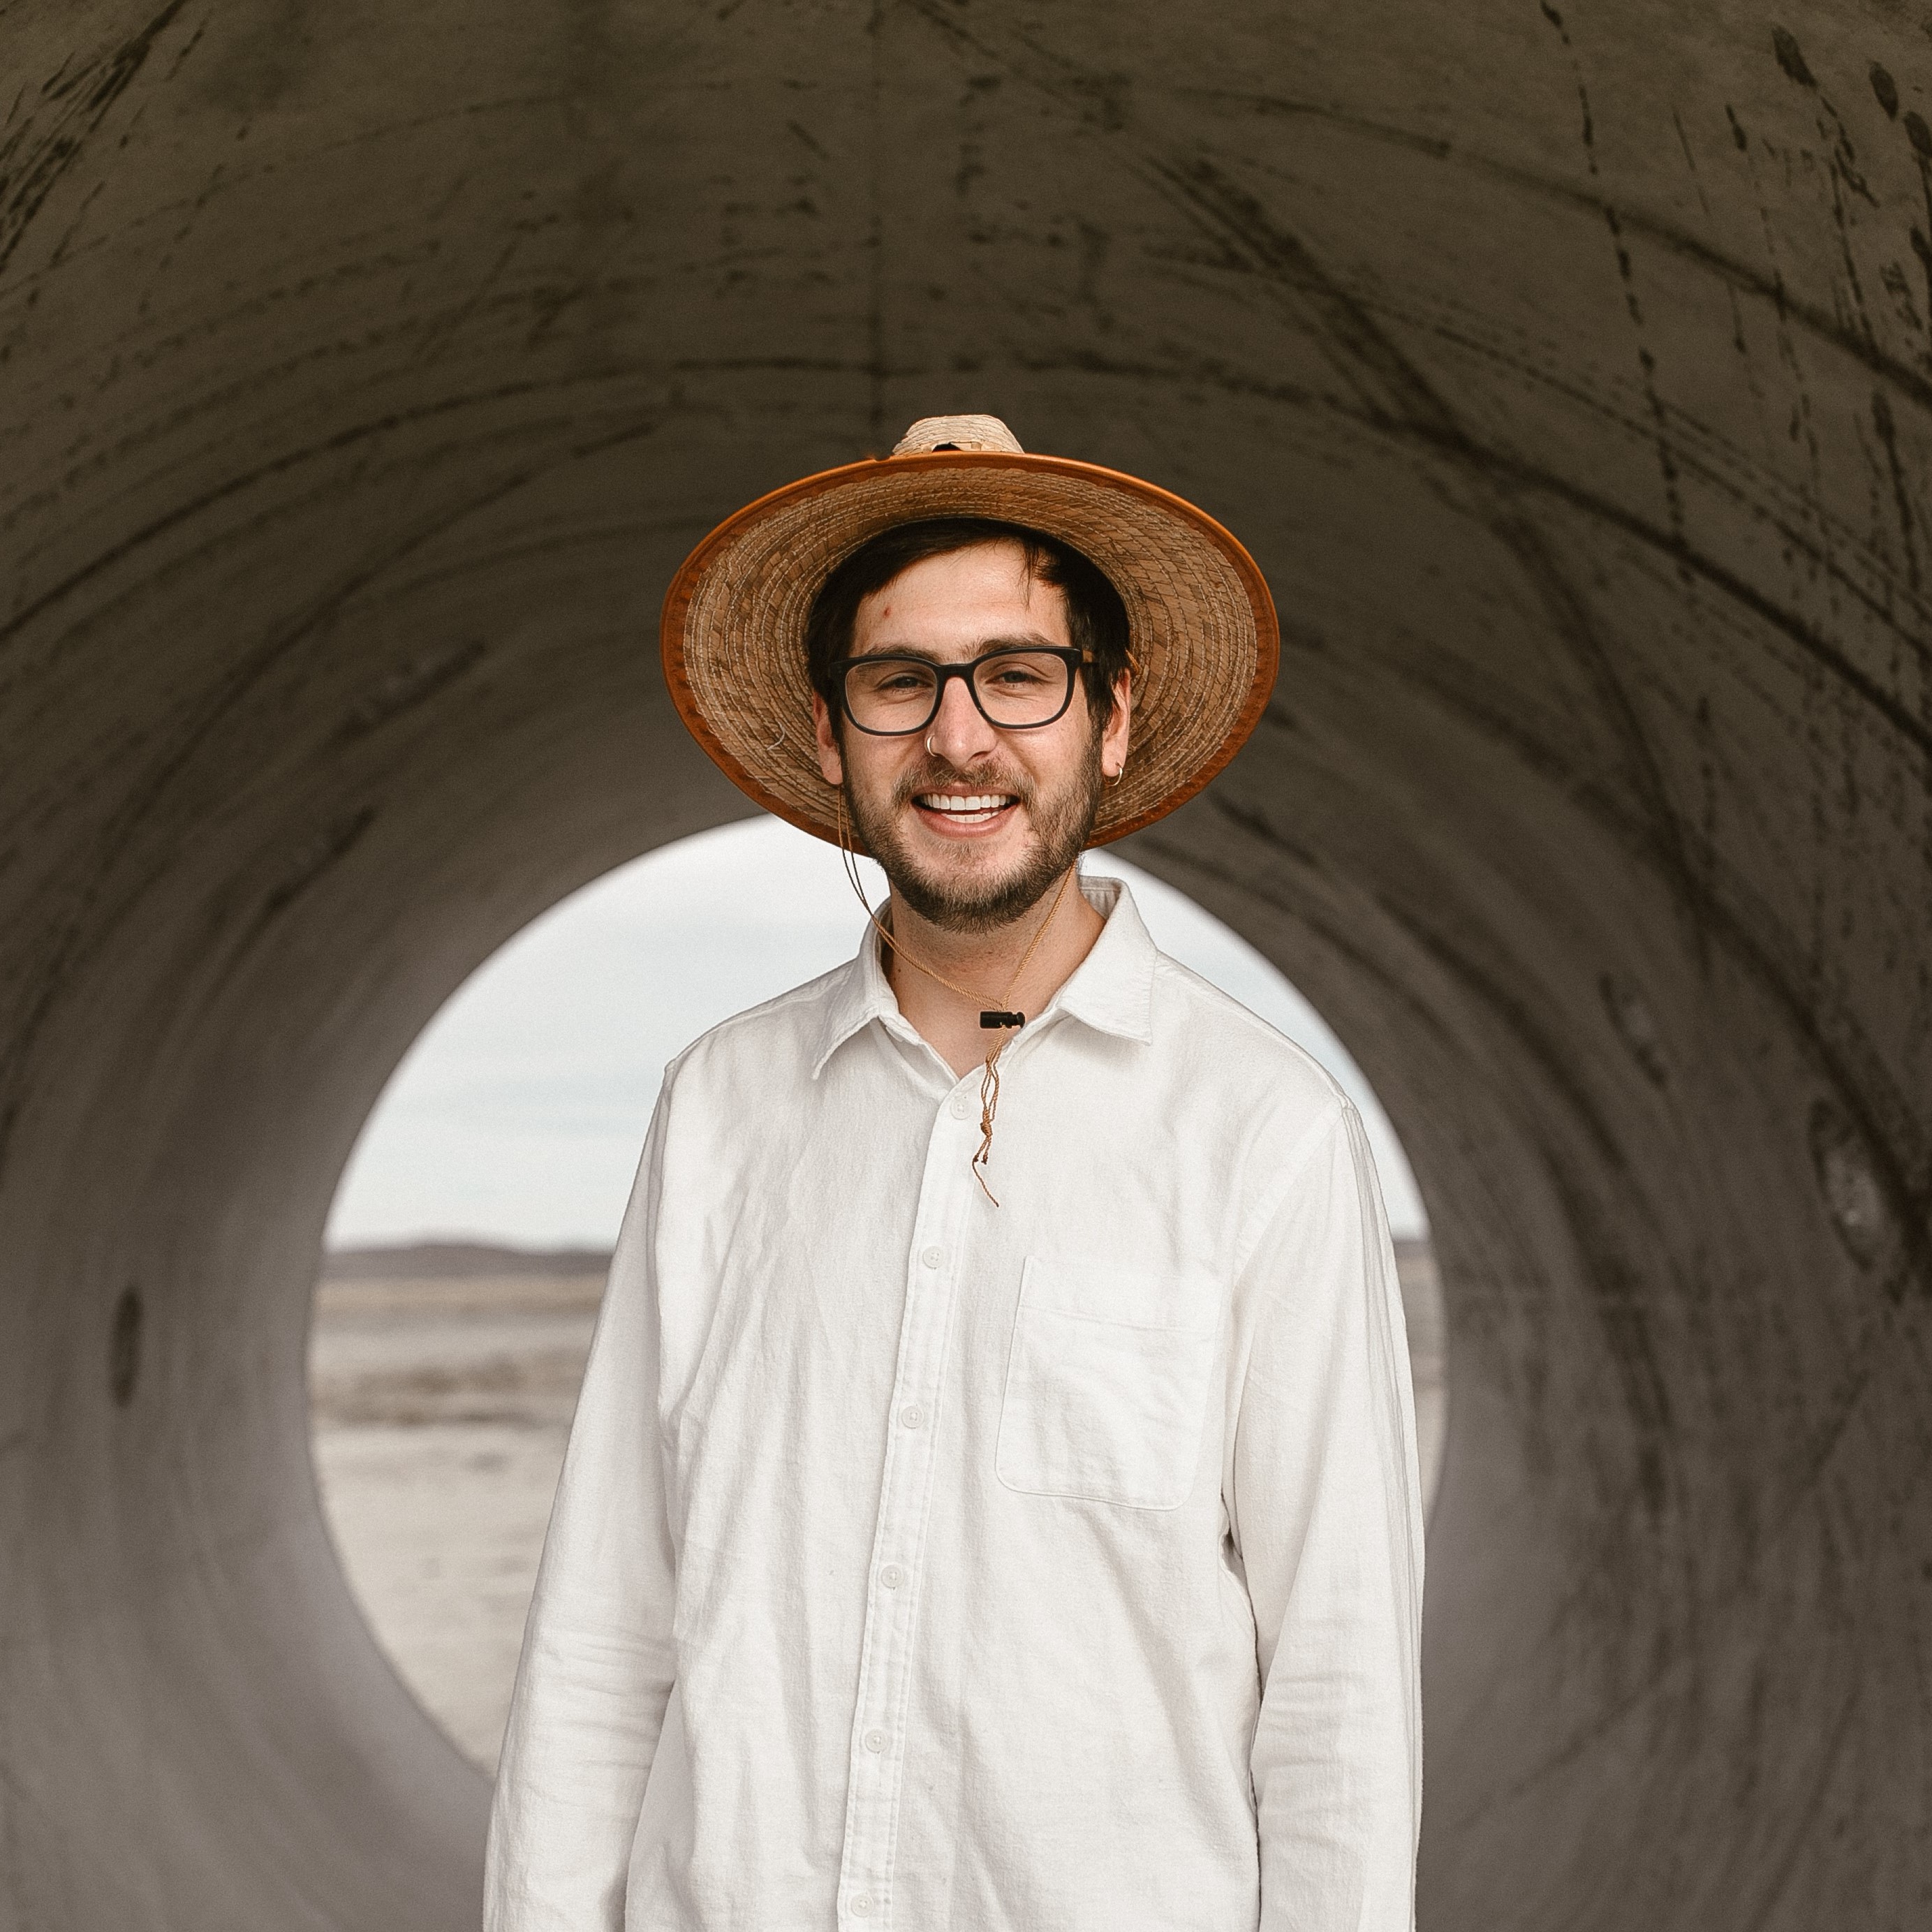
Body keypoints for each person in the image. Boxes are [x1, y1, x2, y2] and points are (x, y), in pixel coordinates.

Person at [485, 414, 1424, 1931]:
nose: (959, 736)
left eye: (1017, 674)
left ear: (1110, 720)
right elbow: (605, 1622)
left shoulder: (1263, 1132)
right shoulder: (722, 1105)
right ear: (828, 733)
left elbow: (1338, 1691)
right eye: (899, 681)